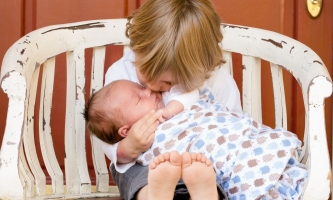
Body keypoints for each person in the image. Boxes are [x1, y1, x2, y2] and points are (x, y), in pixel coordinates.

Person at [100, 0, 243, 199]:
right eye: (145, 74)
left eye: (168, 82)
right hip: (148, 165)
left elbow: (234, 124)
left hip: (202, 162)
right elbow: (107, 129)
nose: (152, 88)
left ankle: (205, 194)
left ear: (200, 70)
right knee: (132, 174)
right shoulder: (120, 73)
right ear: (137, 49)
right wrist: (128, 147)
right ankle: (152, 194)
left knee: (215, 173)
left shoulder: (216, 79)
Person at [85, 80, 308, 199]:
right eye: (138, 98)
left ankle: (200, 194)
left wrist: (173, 109)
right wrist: (129, 147)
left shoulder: (173, 98)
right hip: (193, 164)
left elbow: (203, 106)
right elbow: (122, 157)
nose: (149, 92)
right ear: (125, 130)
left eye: (141, 88)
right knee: (149, 167)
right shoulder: (143, 131)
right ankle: (164, 194)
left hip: (237, 144)